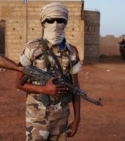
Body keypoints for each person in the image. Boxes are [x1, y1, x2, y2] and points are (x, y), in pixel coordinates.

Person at [15, 2, 82, 141]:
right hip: (36, 122)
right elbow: (18, 83)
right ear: (44, 22)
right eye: (51, 20)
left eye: (61, 20)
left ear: (66, 23)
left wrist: (77, 120)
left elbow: (76, 89)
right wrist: (44, 89)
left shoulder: (71, 52)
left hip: (61, 122)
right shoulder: (32, 48)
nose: (55, 24)